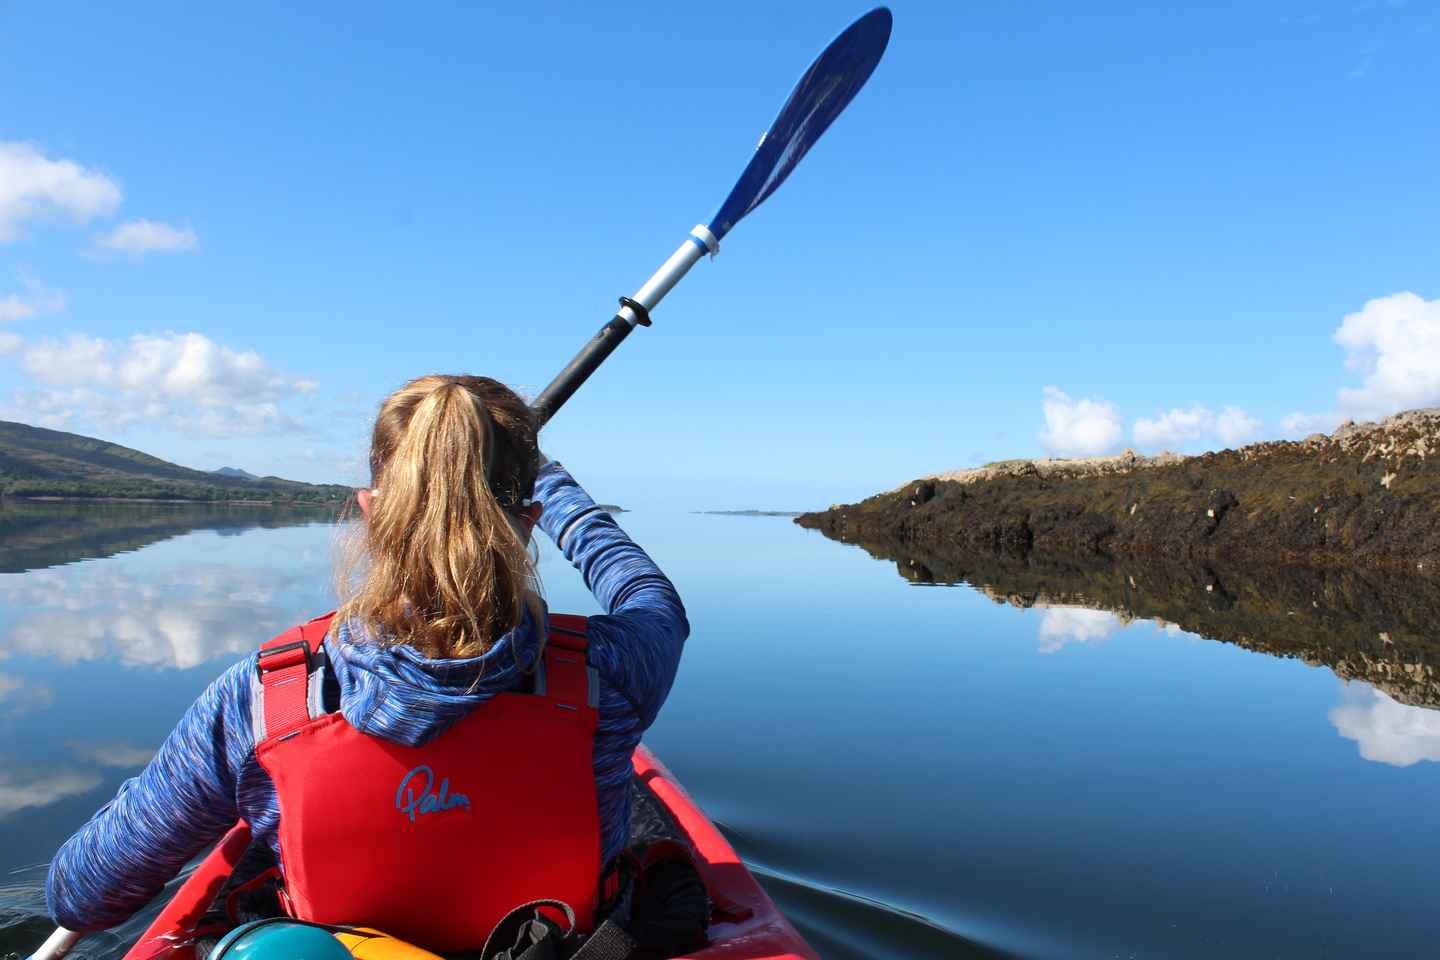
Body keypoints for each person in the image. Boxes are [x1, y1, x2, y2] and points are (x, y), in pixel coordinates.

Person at [46, 374, 689, 951]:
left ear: (372, 509)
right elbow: (651, 599)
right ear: (529, 522)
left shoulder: (260, 701)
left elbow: (82, 896)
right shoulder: (614, 672)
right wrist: (550, 479)